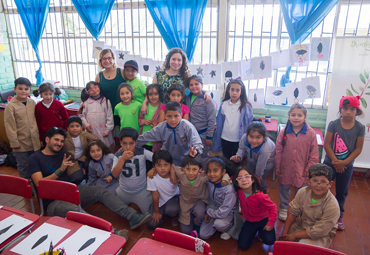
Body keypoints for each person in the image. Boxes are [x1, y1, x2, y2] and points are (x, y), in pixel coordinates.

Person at [28, 127, 151, 233]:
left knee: (99, 190)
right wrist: (60, 169)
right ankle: (111, 231)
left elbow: (81, 160)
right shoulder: (35, 158)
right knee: (78, 211)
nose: (59, 143)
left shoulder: (62, 154)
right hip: (52, 202)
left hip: (70, 192)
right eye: (56, 140)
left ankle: (132, 216)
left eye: (61, 141)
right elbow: (40, 184)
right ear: (47, 139)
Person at [323, 96, 365, 230]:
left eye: (352, 109)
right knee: (323, 187)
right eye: (345, 108)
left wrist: (344, 163)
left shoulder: (360, 127)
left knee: (342, 192)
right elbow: (326, 145)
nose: (348, 112)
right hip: (330, 163)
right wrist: (336, 162)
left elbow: (358, 149)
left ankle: (339, 215)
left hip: (347, 165)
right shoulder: (333, 124)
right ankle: (319, 211)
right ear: (340, 110)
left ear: (357, 112)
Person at [274, 104, 319, 221]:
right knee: (284, 188)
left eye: (300, 115)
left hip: (302, 169)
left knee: (301, 190)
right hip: (286, 167)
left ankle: (297, 209)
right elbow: (278, 150)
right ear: (289, 116)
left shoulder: (310, 133)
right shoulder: (284, 132)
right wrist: (278, 165)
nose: (296, 118)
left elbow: (314, 154)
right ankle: (283, 208)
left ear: (305, 117)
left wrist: (309, 168)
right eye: (293, 115)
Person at [279, 164, 340, 248]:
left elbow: (319, 232)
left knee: (303, 248)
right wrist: (284, 234)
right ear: (308, 181)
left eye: (323, 182)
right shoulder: (302, 192)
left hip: (319, 235)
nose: (318, 185)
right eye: (315, 180)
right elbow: (292, 213)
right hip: (300, 226)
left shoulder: (332, 206)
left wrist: (295, 236)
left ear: (330, 184)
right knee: (287, 247)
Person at [137, 102, 203, 166]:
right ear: (165, 116)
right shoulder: (161, 127)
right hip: (168, 162)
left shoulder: (187, 126)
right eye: (169, 116)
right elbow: (146, 137)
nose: (173, 120)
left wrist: (196, 150)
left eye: (176, 116)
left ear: (181, 115)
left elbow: (197, 143)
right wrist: (132, 143)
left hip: (186, 162)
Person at [4, 77, 40, 178]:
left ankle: (36, 185)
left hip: (34, 141)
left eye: (26, 89)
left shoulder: (32, 103)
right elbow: (10, 127)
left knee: (35, 165)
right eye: (20, 88)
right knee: (23, 166)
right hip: (21, 143)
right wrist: (14, 143)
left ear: (30, 90)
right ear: (15, 89)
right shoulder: (10, 106)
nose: (23, 91)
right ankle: (26, 188)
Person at [234, 166, 277, 250]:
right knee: (242, 245)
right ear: (236, 182)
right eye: (240, 178)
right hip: (250, 220)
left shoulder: (260, 196)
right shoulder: (239, 192)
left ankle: (261, 232)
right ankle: (254, 232)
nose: (244, 180)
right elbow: (230, 176)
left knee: (270, 240)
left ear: (253, 180)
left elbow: (273, 208)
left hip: (263, 219)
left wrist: (270, 223)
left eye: (247, 177)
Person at [112, 127, 153, 214]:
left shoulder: (142, 152)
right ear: (120, 143)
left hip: (141, 191)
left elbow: (156, 159)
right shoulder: (118, 155)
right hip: (123, 191)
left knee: (149, 214)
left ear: (136, 142)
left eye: (131, 143)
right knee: (118, 214)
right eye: (124, 144)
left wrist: (154, 169)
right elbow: (115, 174)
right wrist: (122, 159)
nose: (128, 147)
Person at [213, 79, 253, 159]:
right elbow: (220, 122)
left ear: (241, 92)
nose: (234, 92)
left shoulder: (246, 107)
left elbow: (249, 124)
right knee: (226, 160)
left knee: (237, 161)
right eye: (232, 89)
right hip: (225, 138)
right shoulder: (224, 104)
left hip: (239, 140)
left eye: (237, 90)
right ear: (228, 90)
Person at [230, 120, 275, 192]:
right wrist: (238, 156)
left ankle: (263, 193)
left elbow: (261, 165)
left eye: (258, 137)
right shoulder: (244, 138)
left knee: (259, 181)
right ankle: (250, 193)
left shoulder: (266, 149)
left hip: (265, 166)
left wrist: (258, 175)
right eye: (251, 136)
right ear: (247, 134)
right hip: (251, 161)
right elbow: (241, 148)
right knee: (249, 178)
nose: (254, 140)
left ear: (263, 137)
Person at [199, 157, 238, 240]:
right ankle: (215, 224)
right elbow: (211, 200)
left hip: (227, 213)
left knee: (219, 225)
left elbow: (223, 212)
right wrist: (210, 209)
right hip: (215, 208)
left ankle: (230, 226)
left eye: (215, 170)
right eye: (209, 171)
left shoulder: (229, 189)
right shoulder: (210, 182)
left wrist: (208, 212)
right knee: (203, 235)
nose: (212, 174)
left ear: (223, 172)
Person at [171, 155, 208, 235]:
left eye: (194, 169)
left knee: (200, 212)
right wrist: (172, 172)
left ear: (200, 169)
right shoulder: (181, 174)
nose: (191, 173)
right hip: (185, 204)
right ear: (183, 168)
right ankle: (191, 218)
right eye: (188, 169)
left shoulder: (202, 177)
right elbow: (172, 166)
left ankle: (198, 223)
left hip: (199, 201)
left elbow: (214, 176)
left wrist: (206, 172)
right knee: (186, 231)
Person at [185, 75, 216, 168]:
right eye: (191, 85)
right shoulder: (187, 97)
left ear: (202, 85)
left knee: (203, 155)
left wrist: (209, 137)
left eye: (196, 84)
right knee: (191, 154)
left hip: (203, 134)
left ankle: (203, 173)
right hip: (190, 133)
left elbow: (212, 119)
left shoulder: (207, 100)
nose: (194, 86)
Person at [146, 150, 180, 229]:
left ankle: (174, 216)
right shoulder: (151, 176)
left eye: (166, 165)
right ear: (154, 166)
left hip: (173, 197)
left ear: (171, 165)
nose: (163, 168)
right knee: (151, 224)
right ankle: (161, 212)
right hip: (160, 200)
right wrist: (156, 212)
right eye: (159, 165)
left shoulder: (175, 173)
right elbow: (155, 195)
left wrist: (172, 170)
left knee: (171, 210)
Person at [79, 81, 114, 149]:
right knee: (92, 148)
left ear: (98, 87)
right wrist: (86, 125)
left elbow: (110, 117)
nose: (94, 90)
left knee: (104, 148)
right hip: (91, 131)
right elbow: (81, 116)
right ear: (88, 92)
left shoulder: (106, 102)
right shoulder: (86, 103)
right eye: (91, 89)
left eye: (95, 87)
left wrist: (108, 130)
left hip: (103, 132)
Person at [63, 116, 97, 184]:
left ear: (81, 128)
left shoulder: (84, 134)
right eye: (72, 126)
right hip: (71, 161)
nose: (75, 128)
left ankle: (88, 181)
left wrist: (91, 147)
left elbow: (97, 140)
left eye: (77, 126)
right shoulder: (64, 137)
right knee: (77, 178)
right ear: (68, 128)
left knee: (91, 167)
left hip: (83, 158)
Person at [95, 49, 125, 117]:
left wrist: (145, 83)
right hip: (106, 112)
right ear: (100, 61)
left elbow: (134, 81)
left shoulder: (121, 72)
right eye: (104, 58)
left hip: (123, 110)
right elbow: (94, 93)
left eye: (109, 58)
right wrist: (84, 102)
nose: (107, 61)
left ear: (113, 59)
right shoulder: (99, 76)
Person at [138, 84, 164, 152]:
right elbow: (139, 120)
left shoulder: (163, 107)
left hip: (155, 142)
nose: (153, 97)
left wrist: (157, 126)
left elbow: (165, 125)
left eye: (156, 94)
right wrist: (144, 121)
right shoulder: (145, 106)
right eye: (150, 94)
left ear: (159, 94)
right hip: (143, 140)